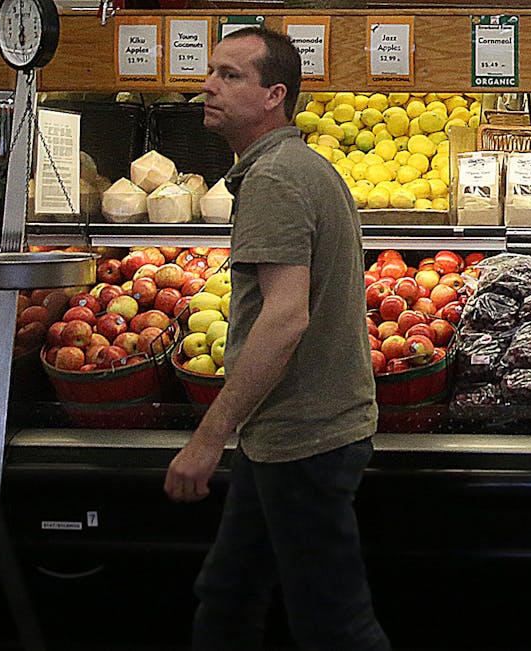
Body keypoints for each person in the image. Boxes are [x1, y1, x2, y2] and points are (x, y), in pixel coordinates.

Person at [163, 27, 390, 651]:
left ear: (274, 96)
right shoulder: (300, 167)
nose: (208, 85)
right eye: (211, 71)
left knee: (335, 624)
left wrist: (208, 440)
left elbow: (285, 318)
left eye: (231, 75)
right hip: (289, 433)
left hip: (304, 439)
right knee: (229, 594)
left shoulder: (274, 182)